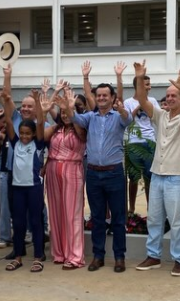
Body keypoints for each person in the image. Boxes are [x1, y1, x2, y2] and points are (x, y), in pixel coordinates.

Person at [133, 63, 180, 277]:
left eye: (174, 95)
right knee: (154, 219)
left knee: (177, 221)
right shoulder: (161, 116)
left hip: (176, 178)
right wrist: (140, 77)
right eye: (168, 95)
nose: (169, 98)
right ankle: (153, 256)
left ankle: (179, 259)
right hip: (157, 175)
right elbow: (142, 100)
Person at [73, 72, 132, 273]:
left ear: (112, 97)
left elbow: (128, 119)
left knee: (118, 218)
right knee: (97, 218)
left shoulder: (119, 117)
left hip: (114, 173)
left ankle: (119, 257)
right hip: (93, 174)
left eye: (105, 95)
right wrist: (67, 106)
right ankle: (98, 256)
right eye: (98, 95)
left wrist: (122, 110)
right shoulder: (90, 117)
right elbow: (74, 118)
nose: (101, 98)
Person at [3, 89, 47, 273]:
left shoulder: (38, 144)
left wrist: (37, 101)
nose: (24, 136)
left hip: (33, 188)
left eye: (28, 133)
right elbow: (8, 121)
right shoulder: (15, 143)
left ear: (34, 134)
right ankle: (18, 257)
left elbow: (41, 122)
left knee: (35, 222)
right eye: (22, 133)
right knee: (19, 223)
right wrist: (6, 100)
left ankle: (38, 256)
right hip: (17, 188)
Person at [44, 88, 88, 269]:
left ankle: (75, 256)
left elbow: (82, 136)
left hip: (72, 169)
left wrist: (70, 110)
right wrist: (46, 109)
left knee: (72, 213)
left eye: (68, 112)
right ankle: (60, 253)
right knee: (56, 213)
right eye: (62, 112)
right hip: (53, 169)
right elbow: (40, 136)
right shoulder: (56, 129)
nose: (65, 115)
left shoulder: (81, 128)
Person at [123, 69, 159, 213]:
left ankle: (151, 209)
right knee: (133, 178)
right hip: (133, 142)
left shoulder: (153, 101)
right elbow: (127, 120)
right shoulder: (128, 102)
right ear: (138, 86)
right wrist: (139, 105)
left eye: (149, 84)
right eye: (146, 85)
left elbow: (156, 118)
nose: (149, 87)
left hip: (150, 141)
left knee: (149, 177)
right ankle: (131, 209)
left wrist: (146, 104)